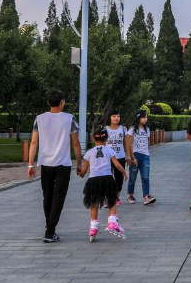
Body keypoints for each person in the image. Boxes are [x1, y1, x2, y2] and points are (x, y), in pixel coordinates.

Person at [27, 89, 82, 243]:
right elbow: (76, 143)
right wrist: (79, 163)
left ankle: (49, 228)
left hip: (46, 163)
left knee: (48, 196)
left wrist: (30, 165)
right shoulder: (70, 119)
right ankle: (50, 231)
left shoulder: (39, 119)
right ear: (62, 103)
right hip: (63, 164)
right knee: (59, 198)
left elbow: (33, 142)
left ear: (48, 102)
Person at [79, 129, 127, 241]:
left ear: (93, 139)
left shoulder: (89, 152)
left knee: (94, 203)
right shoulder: (109, 150)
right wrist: (124, 172)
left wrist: (79, 172)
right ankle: (112, 222)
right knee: (112, 200)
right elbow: (117, 165)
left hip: (93, 179)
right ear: (106, 139)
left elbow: (84, 172)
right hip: (107, 178)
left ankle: (93, 228)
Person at [125, 111, 155, 205]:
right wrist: (131, 157)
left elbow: (147, 142)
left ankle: (146, 196)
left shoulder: (147, 129)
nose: (145, 119)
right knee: (132, 177)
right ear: (138, 118)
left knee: (145, 177)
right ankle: (130, 195)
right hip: (135, 155)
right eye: (143, 117)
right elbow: (129, 144)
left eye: (146, 117)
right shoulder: (132, 129)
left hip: (145, 156)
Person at [104, 109, 127, 206]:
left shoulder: (123, 129)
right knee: (107, 178)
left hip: (120, 157)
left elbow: (126, 143)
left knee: (119, 179)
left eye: (118, 116)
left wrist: (128, 156)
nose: (116, 118)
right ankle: (108, 199)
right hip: (107, 158)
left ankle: (116, 197)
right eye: (114, 116)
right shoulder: (104, 129)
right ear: (109, 117)